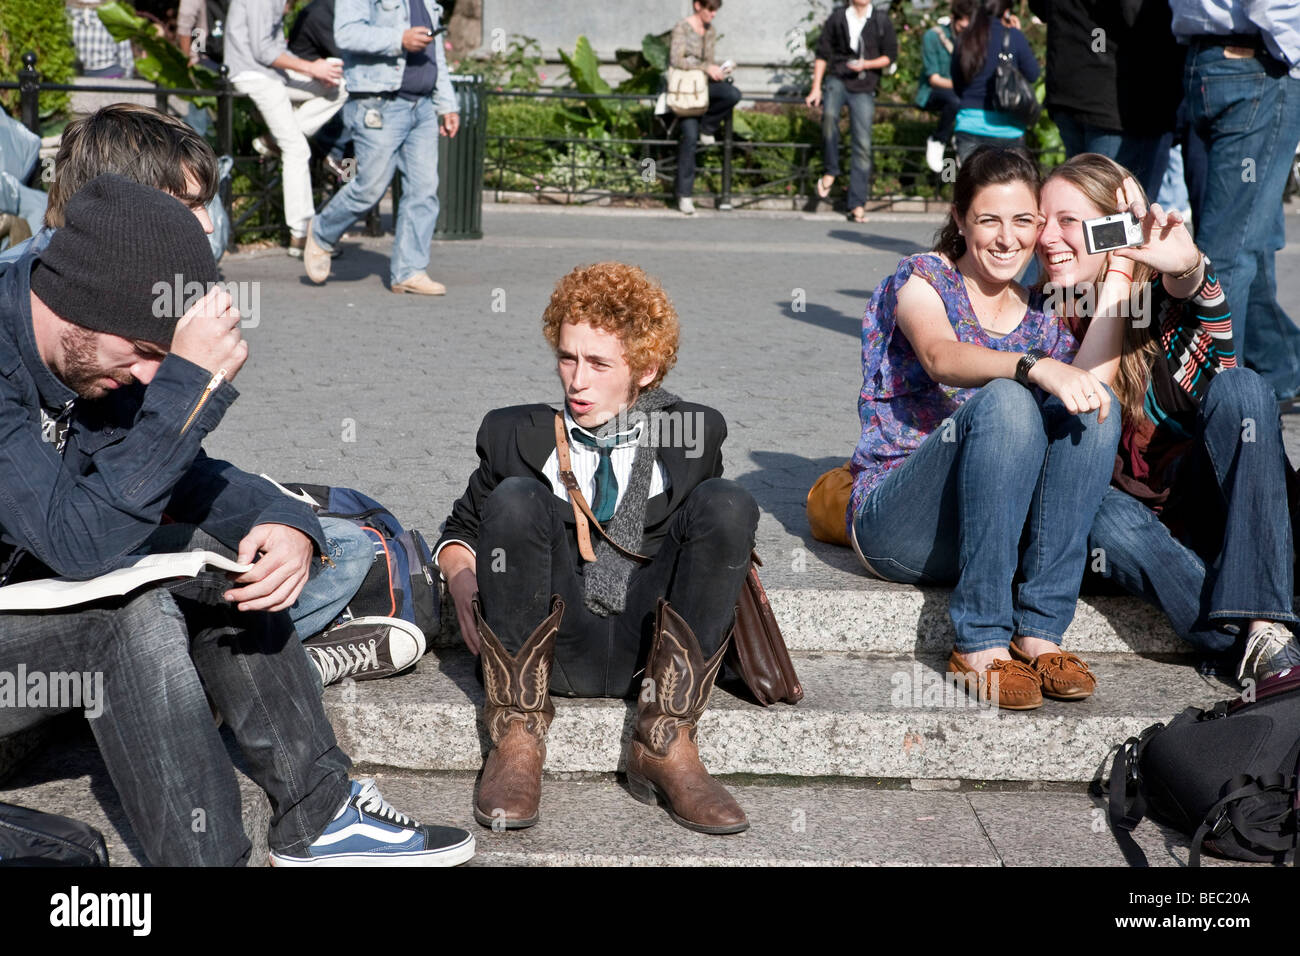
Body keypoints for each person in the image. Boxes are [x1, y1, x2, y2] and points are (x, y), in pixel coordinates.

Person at [0, 173, 473, 866]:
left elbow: (186, 478)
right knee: (123, 613)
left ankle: (320, 815)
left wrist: (286, 522)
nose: (147, 380)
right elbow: (79, 546)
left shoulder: (90, 360)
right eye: (147, 354)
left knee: (218, 552)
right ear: (78, 308)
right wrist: (188, 393)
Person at [0, 104, 410, 689]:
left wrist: (286, 519)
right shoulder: (57, 314)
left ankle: (236, 665)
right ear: (129, 209)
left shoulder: (137, 301)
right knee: (228, 578)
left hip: (117, 524)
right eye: (191, 204)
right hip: (62, 567)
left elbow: (175, 463)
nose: (211, 225)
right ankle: (237, 670)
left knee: (330, 542)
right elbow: (75, 536)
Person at [436, 262, 759, 833]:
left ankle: (667, 742)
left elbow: (706, 545)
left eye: (598, 364)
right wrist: (461, 574)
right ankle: (516, 736)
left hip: (649, 657)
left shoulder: (695, 432)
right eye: (567, 357)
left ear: (646, 370)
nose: (576, 381)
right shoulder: (513, 433)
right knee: (513, 497)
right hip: (548, 647)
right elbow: (458, 529)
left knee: (729, 503)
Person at [849, 147, 1120, 711]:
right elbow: (941, 355)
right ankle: (979, 641)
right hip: (899, 523)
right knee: (1008, 400)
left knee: (1096, 405)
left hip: (988, 531)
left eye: (1023, 221)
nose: (1006, 238)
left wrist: (1119, 268)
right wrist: (1031, 365)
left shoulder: (1045, 313)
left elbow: (1096, 389)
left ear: (1039, 225)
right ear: (960, 219)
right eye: (988, 220)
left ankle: (1040, 632)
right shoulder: (924, 278)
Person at [1036, 152, 1300, 685]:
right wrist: (1115, 273)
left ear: (1115, 229)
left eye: (1068, 221)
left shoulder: (1162, 304)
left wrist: (1186, 267)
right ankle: (1255, 642)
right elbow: (1076, 403)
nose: (1046, 237)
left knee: (1242, 385)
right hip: (1137, 534)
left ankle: (1266, 621)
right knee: (1103, 515)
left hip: (1220, 508)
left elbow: (1206, 322)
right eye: (1040, 221)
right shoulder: (1038, 317)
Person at [1169, 0, 1300, 401]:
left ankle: (1283, 369)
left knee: (1241, 237)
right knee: (1230, 251)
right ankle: (1215, 400)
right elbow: (1271, 6)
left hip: (1207, 61)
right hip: (1254, 64)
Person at [301, 0, 460, 295]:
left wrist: (447, 104)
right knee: (370, 187)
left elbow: (435, 52)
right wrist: (398, 38)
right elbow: (346, 33)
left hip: (422, 106)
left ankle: (409, 271)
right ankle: (322, 232)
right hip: (379, 102)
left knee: (424, 190)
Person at [225, 0, 347, 257]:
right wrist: (312, 67)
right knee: (297, 150)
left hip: (272, 74)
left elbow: (274, 49)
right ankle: (301, 234)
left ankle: (272, 140)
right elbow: (263, 50)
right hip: (253, 74)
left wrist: (317, 72)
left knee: (337, 87)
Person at [1029, 0, 1183, 200]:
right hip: (1117, 99)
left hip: (1071, 86)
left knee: (1085, 202)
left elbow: (1040, 7)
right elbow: (1136, 14)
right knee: (1116, 209)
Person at [805, 0, 898, 223]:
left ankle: (857, 203)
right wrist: (816, 87)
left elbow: (890, 56)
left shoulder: (880, 19)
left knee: (863, 143)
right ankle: (831, 170)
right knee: (829, 116)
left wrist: (866, 65)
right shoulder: (838, 17)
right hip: (838, 77)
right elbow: (822, 53)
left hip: (864, 84)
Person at [668, 0, 742, 215]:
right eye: (710, 9)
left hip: (703, 86)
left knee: (732, 94)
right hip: (686, 91)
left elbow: (709, 61)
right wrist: (704, 67)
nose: (713, 14)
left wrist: (718, 70)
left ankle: (707, 128)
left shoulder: (710, 31)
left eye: (716, 9)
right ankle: (685, 196)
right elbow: (676, 59)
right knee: (689, 139)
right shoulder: (682, 27)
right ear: (697, 5)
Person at [950, 0, 1039, 162]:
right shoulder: (1014, 37)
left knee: (970, 187)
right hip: (1009, 130)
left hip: (969, 126)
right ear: (1006, 12)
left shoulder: (965, 38)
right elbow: (1033, 74)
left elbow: (957, 84)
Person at [287, 0, 354, 181]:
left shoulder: (337, 10)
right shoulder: (321, 13)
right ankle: (334, 155)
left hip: (326, 85)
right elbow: (346, 54)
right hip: (310, 82)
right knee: (351, 91)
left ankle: (347, 176)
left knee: (352, 137)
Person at [915, 0, 974, 174]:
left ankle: (951, 184)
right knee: (954, 105)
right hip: (943, 98)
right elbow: (934, 79)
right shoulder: (934, 36)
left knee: (959, 158)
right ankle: (939, 144)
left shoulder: (972, 39)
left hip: (961, 113)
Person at [66, 0, 134, 78]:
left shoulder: (67, 18)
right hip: (111, 75)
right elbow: (125, 57)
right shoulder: (114, 17)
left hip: (76, 74)